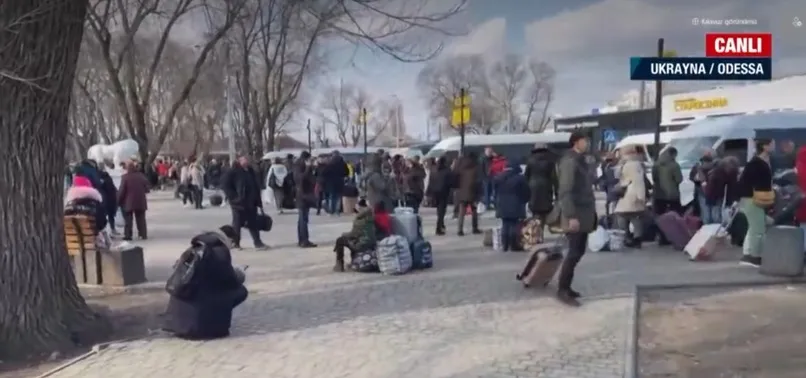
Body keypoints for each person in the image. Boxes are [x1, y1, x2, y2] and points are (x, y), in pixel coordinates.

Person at [164, 225, 248, 340]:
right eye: (233, 245)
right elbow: (230, 281)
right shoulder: (220, 251)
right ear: (230, 240)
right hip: (199, 326)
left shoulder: (194, 247)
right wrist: (240, 273)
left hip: (178, 320)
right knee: (241, 291)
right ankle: (213, 324)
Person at [553, 131, 596, 307]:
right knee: (573, 253)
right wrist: (571, 216)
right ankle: (562, 290)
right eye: (585, 141)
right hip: (575, 214)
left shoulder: (581, 161)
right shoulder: (570, 162)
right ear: (576, 142)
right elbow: (565, 192)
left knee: (578, 251)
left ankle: (567, 287)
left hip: (583, 213)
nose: (587, 144)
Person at [736, 138, 775, 268]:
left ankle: (748, 254)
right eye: (771, 144)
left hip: (752, 198)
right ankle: (755, 257)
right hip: (753, 198)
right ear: (765, 147)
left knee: (754, 227)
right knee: (758, 229)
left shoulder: (757, 162)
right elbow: (750, 182)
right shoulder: (757, 163)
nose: (774, 146)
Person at [222, 156, 268, 250]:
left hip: (251, 202)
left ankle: (257, 242)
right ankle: (236, 243)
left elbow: (255, 186)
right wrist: (234, 197)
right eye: (244, 159)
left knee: (253, 222)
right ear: (239, 161)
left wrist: (258, 202)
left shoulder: (250, 171)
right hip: (238, 203)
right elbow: (225, 185)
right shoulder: (233, 171)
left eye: (247, 159)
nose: (247, 161)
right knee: (237, 223)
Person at [613, 145, 647, 248]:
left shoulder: (622, 164)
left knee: (622, 216)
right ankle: (637, 238)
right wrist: (642, 197)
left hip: (624, 194)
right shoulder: (635, 164)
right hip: (633, 193)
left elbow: (617, 177)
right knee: (636, 218)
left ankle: (626, 237)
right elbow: (639, 181)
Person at [494, 161, 530, 251]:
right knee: (514, 225)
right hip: (516, 203)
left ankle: (505, 245)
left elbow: (495, 191)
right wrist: (525, 200)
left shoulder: (499, 177)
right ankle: (514, 245)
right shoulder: (520, 178)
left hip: (502, 204)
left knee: (505, 224)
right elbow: (527, 192)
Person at [333, 203, 378, 272]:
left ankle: (339, 264)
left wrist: (344, 234)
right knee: (353, 241)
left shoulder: (359, 221)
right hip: (372, 245)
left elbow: (353, 234)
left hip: (362, 246)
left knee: (340, 240)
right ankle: (353, 262)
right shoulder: (372, 220)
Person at [652, 147, 683, 244]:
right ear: (673, 154)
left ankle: (662, 237)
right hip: (672, 195)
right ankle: (674, 236)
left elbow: (654, 178)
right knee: (674, 216)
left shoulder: (656, 164)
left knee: (660, 216)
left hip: (658, 194)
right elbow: (679, 179)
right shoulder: (674, 165)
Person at [524, 143, 558, 225]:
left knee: (535, 211)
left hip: (533, 188)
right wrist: (557, 192)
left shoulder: (530, 160)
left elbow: (526, 176)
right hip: (546, 187)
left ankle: (536, 229)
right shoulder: (550, 160)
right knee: (544, 210)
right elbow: (554, 178)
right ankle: (541, 227)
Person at [117, 161, 150, 241]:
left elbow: (122, 190)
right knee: (141, 219)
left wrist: (118, 200)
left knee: (128, 219)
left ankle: (128, 235)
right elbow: (147, 188)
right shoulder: (141, 176)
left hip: (129, 201)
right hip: (140, 200)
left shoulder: (125, 177)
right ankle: (143, 234)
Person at [703, 156, 740, 224]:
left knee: (714, 214)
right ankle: (713, 226)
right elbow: (730, 187)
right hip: (713, 194)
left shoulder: (729, 172)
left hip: (715, 195)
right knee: (712, 215)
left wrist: (730, 202)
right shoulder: (718, 171)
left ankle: (714, 226)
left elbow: (732, 188)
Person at [293, 151, 318, 248]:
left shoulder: (302, 166)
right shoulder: (299, 167)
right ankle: (304, 240)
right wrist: (308, 168)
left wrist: (313, 168)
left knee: (303, 219)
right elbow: (300, 179)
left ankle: (302, 240)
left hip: (305, 195)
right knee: (303, 219)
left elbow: (313, 179)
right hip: (302, 196)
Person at [454, 152, 482, 236]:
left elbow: (456, 177)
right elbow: (478, 182)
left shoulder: (461, 167)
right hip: (473, 193)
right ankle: (474, 228)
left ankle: (460, 230)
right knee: (474, 211)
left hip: (462, 192)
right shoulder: (476, 168)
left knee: (461, 212)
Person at [427, 156, 453, 235]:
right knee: (442, 210)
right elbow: (450, 182)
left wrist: (428, 192)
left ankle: (441, 224)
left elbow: (430, 181)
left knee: (439, 210)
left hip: (435, 192)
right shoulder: (447, 171)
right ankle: (439, 227)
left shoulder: (433, 170)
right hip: (443, 192)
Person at [689, 150, 717, 220]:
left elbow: (692, 178)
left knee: (708, 213)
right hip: (705, 193)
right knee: (708, 213)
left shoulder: (714, 169)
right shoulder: (698, 169)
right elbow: (692, 178)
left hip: (706, 193)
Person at [323, 151, 349, 215]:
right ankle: (337, 211)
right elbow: (347, 172)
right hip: (340, 182)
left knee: (332, 197)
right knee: (338, 197)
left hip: (331, 182)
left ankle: (331, 210)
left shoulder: (330, 164)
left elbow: (324, 173)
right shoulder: (343, 163)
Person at [97, 165, 119, 235]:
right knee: (111, 216)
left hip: (102, 200)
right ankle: (112, 229)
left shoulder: (97, 179)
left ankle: (104, 232)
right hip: (110, 199)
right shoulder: (108, 177)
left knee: (102, 217)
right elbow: (113, 189)